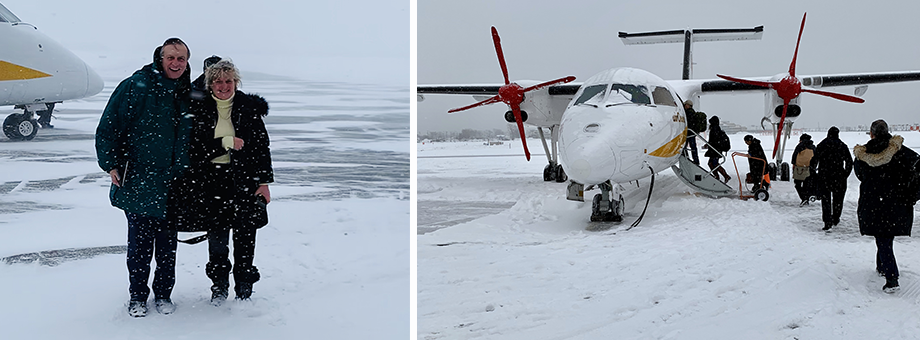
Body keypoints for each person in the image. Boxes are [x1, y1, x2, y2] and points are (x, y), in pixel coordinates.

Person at [95, 38, 192, 317]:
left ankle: (163, 294)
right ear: (159, 58)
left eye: (181, 59)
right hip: (139, 178)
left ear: (187, 62)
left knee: (167, 246)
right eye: (171, 57)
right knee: (139, 245)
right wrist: (110, 163)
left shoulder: (188, 91)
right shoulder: (135, 86)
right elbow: (108, 127)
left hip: (173, 182)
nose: (176, 63)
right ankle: (137, 296)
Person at [188, 59, 273, 305]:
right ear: (210, 84)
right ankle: (219, 286)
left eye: (228, 81)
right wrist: (224, 142)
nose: (223, 86)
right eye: (217, 81)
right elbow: (195, 149)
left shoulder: (248, 108)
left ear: (236, 82)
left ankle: (244, 287)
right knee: (217, 240)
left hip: (245, 182)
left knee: (246, 237)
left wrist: (264, 182)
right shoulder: (200, 108)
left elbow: (261, 148)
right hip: (212, 182)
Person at [854, 119, 920, 293]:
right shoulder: (902, 152)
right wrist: (911, 192)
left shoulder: (863, 154)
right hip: (896, 203)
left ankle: (892, 278)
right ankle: (882, 266)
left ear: (872, 133)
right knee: (884, 236)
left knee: (882, 237)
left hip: (873, 202)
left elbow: (860, 174)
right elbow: (917, 167)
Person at [812, 126, 853, 231]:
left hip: (824, 176)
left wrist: (815, 173)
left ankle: (827, 221)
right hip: (838, 176)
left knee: (825, 200)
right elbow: (849, 162)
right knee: (838, 199)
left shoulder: (822, 145)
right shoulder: (842, 145)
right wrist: (845, 174)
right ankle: (835, 218)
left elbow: (813, 161)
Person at [791, 133, 816, 205]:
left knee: (797, 184)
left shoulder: (800, 146)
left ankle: (804, 198)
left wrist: (794, 165)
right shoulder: (813, 147)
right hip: (810, 168)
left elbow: (794, 156)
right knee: (807, 184)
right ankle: (807, 197)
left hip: (800, 168)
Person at [704, 115, 731, 183]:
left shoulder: (714, 129)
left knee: (713, 163)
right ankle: (719, 176)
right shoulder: (716, 128)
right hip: (716, 149)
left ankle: (723, 176)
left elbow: (714, 140)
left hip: (715, 150)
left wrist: (709, 144)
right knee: (712, 163)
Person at [683, 100, 706, 165]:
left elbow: (688, 122)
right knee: (693, 147)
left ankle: (687, 157)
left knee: (685, 146)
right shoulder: (693, 112)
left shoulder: (688, 112)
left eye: (685, 105)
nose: (684, 106)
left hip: (689, 132)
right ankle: (696, 160)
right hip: (692, 132)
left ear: (688, 105)